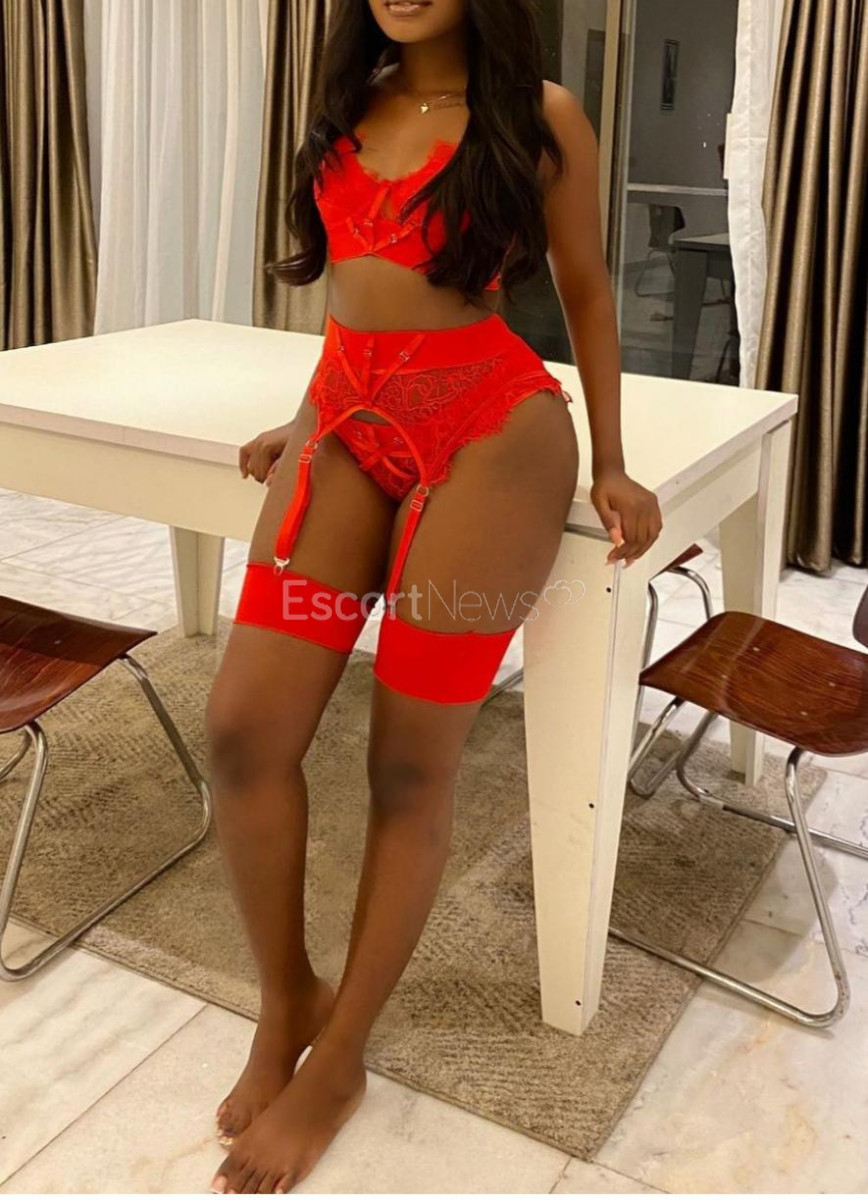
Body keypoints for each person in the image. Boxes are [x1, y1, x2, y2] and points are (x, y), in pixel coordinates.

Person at [207, 0, 662, 1192]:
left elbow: (585, 290)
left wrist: (614, 463)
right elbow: (355, 299)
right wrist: (303, 415)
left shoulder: (540, 117)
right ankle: (288, 998)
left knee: (409, 764)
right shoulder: (346, 103)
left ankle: (341, 1058)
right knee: (245, 730)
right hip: (346, 422)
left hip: (491, 432)